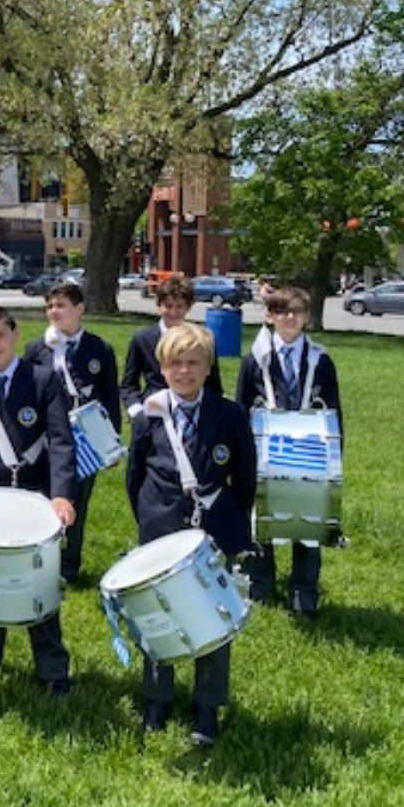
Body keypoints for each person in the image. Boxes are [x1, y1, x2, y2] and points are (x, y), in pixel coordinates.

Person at [126, 323, 254, 746]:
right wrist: (152, 518)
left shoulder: (230, 415)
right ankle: (158, 698)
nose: (184, 371)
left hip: (213, 528)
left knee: (213, 614)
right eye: (175, 363)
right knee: (158, 613)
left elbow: (245, 477)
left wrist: (231, 523)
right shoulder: (149, 417)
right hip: (161, 525)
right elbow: (135, 476)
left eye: (193, 362)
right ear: (162, 368)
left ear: (207, 367)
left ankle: (207, 706)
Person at [0, 306, 77, 695]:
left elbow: (60, 440)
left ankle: (52, 664)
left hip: (34, 496)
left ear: (14, 332)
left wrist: (61, 495)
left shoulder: (43, 380)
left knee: (37, 578)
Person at [233, 284, 340, 615]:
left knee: (308, 521)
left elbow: (335, 413)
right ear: (270, 316)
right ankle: (260, 587)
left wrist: (335, 461)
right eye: (281, 311)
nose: (289, 318)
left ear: (307, 317)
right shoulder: (255, 360)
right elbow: (239, 408)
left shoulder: (321, 361)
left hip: (309, 453)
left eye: (296, 311)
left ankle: (303, 592)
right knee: (261, 520)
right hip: (264, 455)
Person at [26, 281, 123, 583]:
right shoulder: (36, 349)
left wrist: (112, 443)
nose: (54, 312)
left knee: (77, 501)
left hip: (86, 438)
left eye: (61, 306)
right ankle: (41, 559)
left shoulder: (99, 349)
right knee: (44, 497)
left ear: (79, 309)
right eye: (50, 306)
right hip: (47, 437)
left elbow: (109, 398)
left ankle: (69, 565)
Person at [123, 276, 225, 410]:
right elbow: (129, 384)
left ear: (188, 307)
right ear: (159, 305)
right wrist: (136, 409)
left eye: (180, 307)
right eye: (168, 306)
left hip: (195, 409)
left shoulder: (203, 340)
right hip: (155, 410)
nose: (174, 312)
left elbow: (213, 384)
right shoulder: (142, 339)